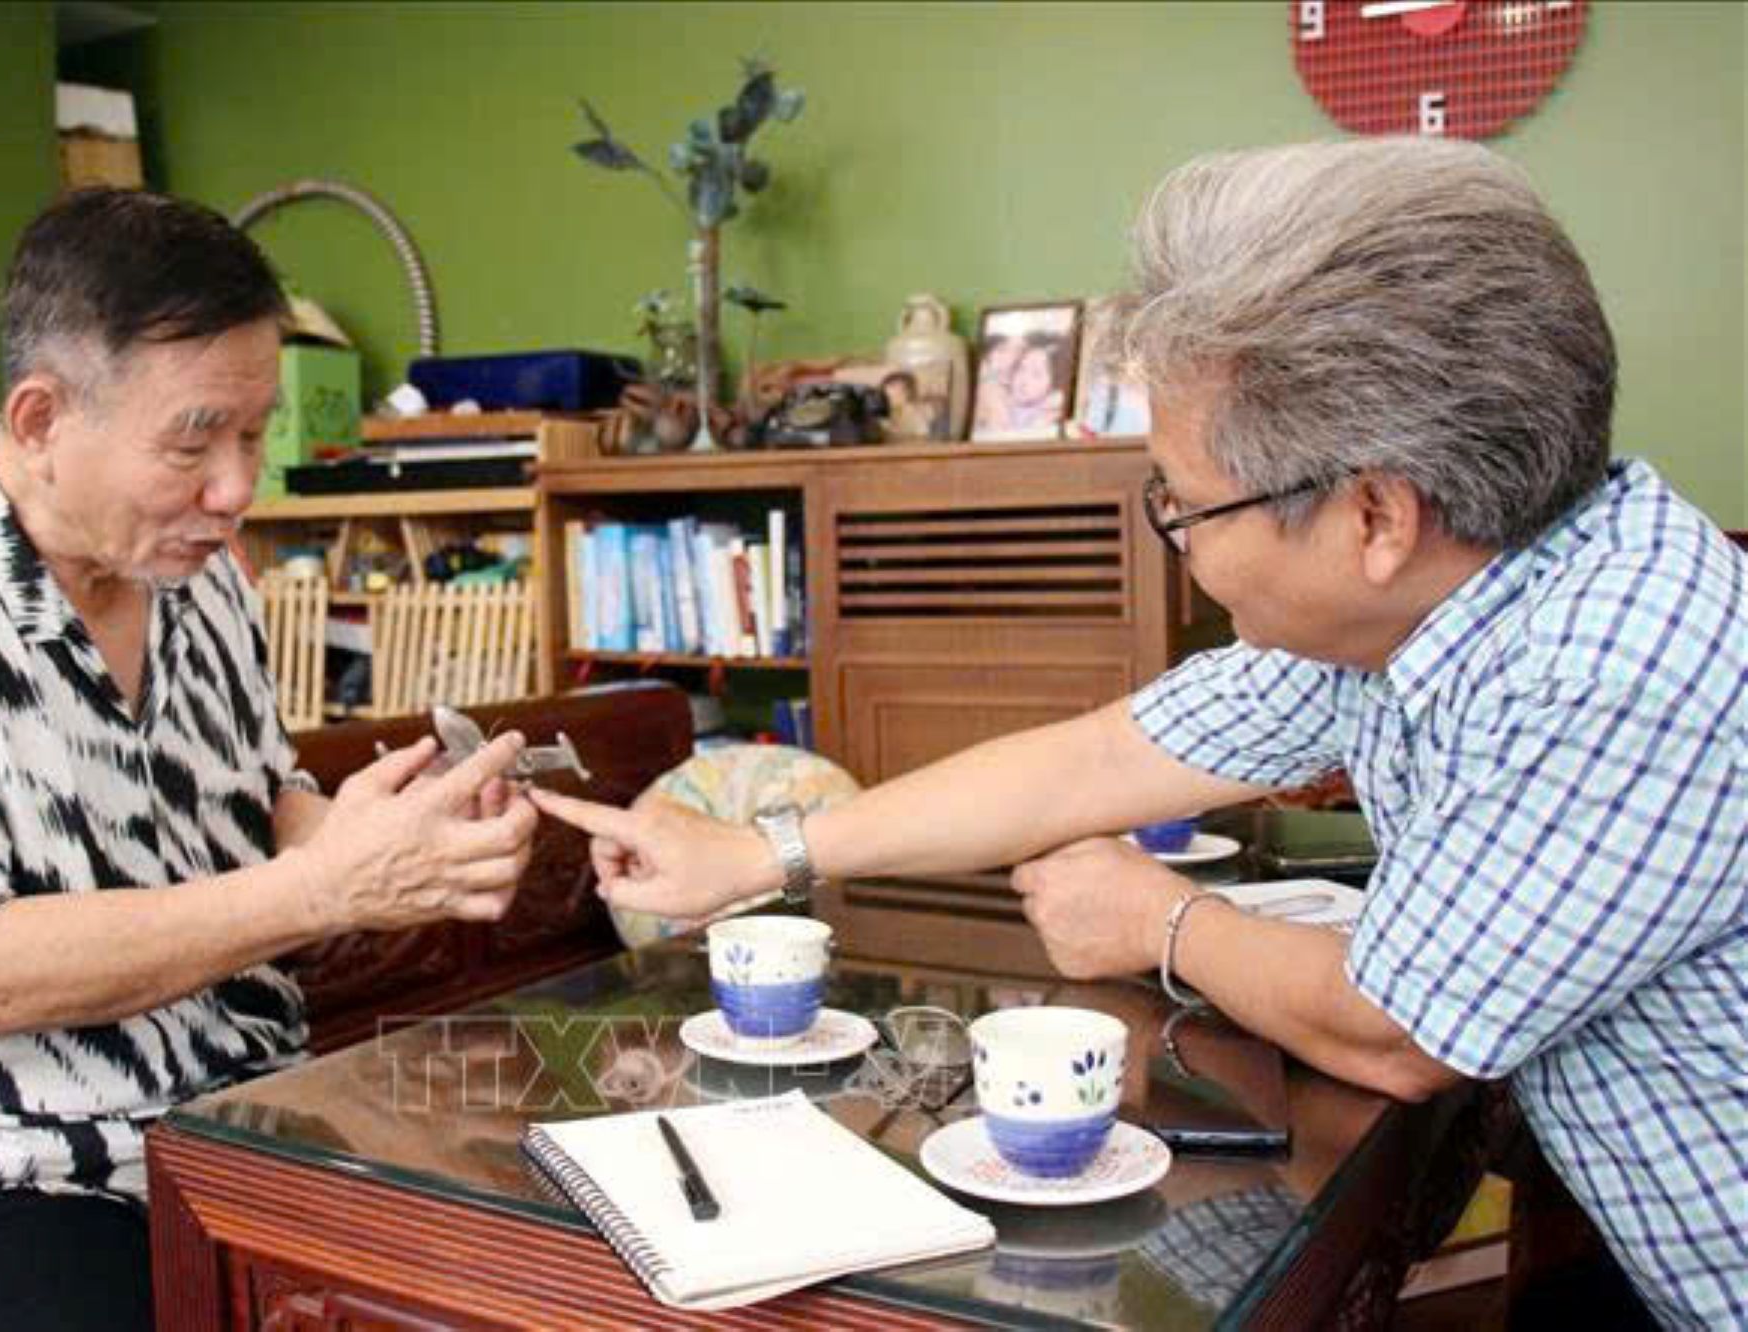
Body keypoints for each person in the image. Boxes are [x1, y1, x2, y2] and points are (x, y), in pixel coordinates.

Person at [531, 138, 1746, 1330]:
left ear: (1375, 514)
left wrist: (1161, 922)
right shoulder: (1438, 598)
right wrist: (756, 855)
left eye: (1183, 503)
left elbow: (1397, 1028)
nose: (1179, 538)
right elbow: (1102, 757)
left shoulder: (1608, 664)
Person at [0, 188, 539, 1332]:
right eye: (192, 441)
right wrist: (323, 886)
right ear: (39, 420)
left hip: (237, 1115)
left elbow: (255, 810)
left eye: (253, 432)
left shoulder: (199, 573)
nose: (237, 490)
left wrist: (399, 837)